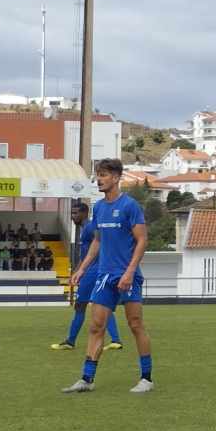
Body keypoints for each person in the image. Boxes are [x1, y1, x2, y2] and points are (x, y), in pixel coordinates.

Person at [61, 159, 155, 394]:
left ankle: (146, 378)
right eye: (97, 175)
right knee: (95, 326)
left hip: (127, 275)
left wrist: (130, 272)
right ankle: (87, 379)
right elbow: (98, 240)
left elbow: (142, 240)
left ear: (116, 177)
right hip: (105, 276)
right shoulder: (99, 208)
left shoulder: (129, 206)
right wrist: (82, 268)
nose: (99, 179)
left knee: (135, 324)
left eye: (103, 175)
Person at [51, 201, 122, 352]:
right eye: (72, 213)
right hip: (94, 269)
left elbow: (98, 245)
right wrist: (77, 271)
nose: (72, 216)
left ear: (84, 213)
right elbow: (86, 255)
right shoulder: (86, 229)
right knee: (103, 304)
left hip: (93, 271)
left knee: (80, 306)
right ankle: (115, 340)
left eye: (75, 213)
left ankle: (70, 341)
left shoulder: (89, 227)